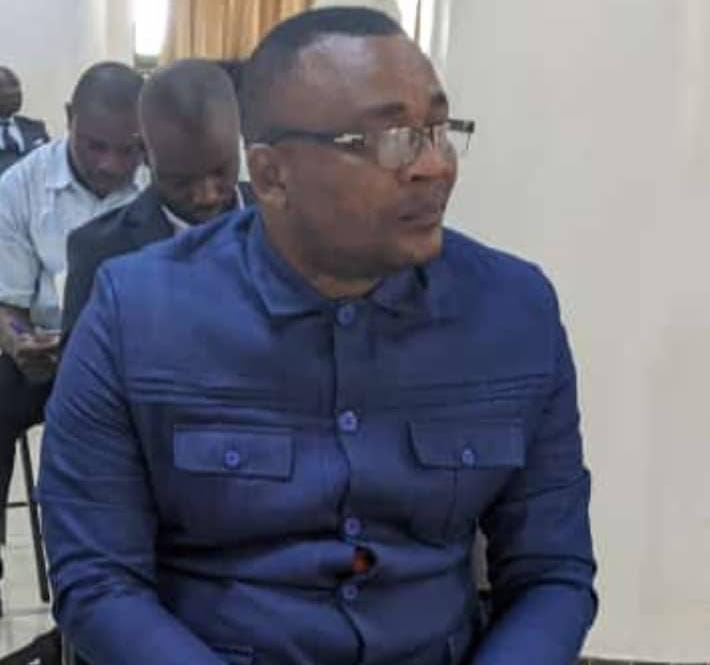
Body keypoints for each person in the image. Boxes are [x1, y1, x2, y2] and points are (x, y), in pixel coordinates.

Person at [39, 8, 596, 664]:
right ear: (271, 175)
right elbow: (97, 580)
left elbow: (553, 573)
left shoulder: (513, 312)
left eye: (438, 130)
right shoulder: (135, 314)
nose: (434, 166)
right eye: (390, 138)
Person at [0, 61, 143, 607]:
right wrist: (19, 341)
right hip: (50, 357)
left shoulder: (165, 178)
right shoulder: (21, 186)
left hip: (144, 360)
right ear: (68, 119)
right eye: (95, 146)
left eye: (130, 149)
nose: (112, 165)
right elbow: (8, 304)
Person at [62, 59, 254, 336]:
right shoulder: (98, 250)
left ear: (240, 140)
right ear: (144, 153)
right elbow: (80, 360)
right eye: (182, 181)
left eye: (221, 171)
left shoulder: (287, 219)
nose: (206, 196)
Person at [0, 66, 50, 175]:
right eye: (10, 93)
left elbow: (51, 162)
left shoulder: (35, 128)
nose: (17, 95)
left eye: (18, 90)